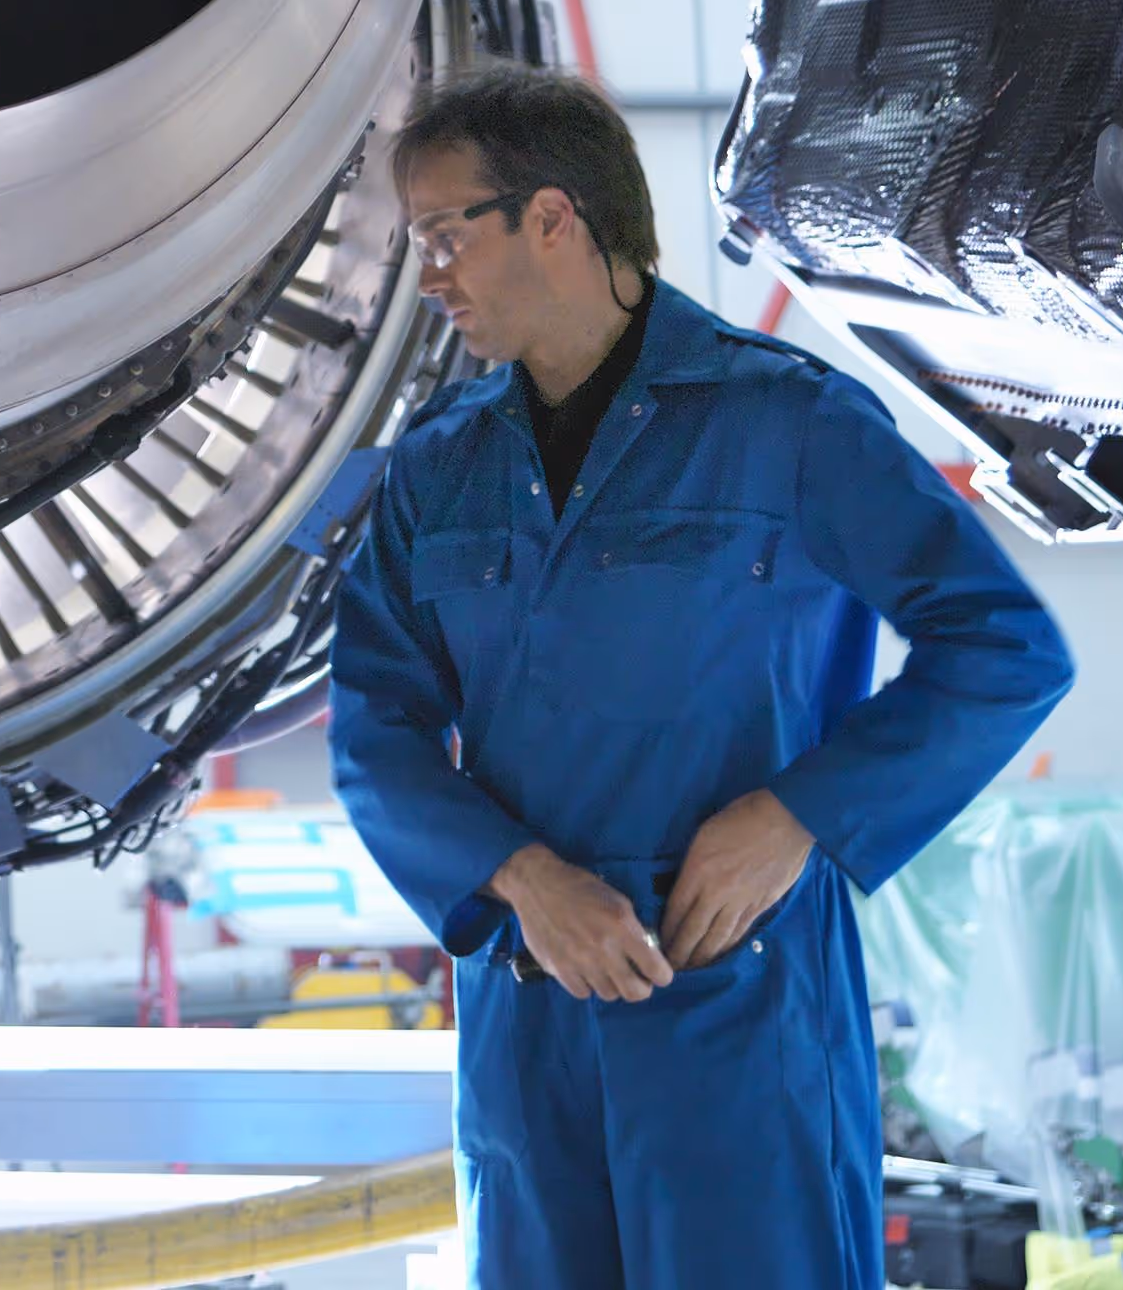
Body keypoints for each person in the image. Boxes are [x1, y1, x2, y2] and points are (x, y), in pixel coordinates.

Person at [327, 66, 1074, 1290]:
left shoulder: (788, 422)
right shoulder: (436, 469)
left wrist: (798, 817)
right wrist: (521, 880)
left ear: (552, 216)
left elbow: (1003, 648)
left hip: (739, 1001)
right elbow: (376, 728)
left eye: (446, 234)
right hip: (532, 1009)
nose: (431, 273)